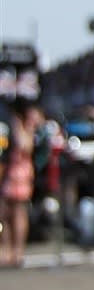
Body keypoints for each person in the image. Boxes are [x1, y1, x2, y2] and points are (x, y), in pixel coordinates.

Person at [0, 100, 38, 268]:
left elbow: (26, 146)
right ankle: (6, 249)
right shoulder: (6, 125)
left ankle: (19, 250)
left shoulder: (27, 126)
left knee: (19, 212)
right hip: (8, 171)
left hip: (21, 173)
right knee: (4, 213)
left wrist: (17, 127)